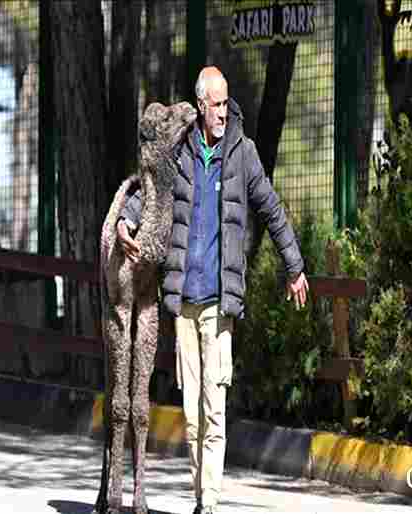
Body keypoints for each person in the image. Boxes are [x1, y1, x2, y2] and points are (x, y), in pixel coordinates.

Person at [117, 66, 309, 514]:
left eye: (226, 103)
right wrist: (127, 216)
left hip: (220, 303)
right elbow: (151, 191)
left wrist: (295, 266)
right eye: (216, 104)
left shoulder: (243, 153)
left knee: (215, 407)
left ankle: (210, 504)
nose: (223, 111)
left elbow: (272, 208)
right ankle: (200, 494)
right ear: (201, 105)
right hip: (184, 299)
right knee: (190, 415)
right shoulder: (181, 151)